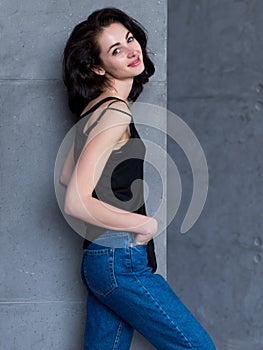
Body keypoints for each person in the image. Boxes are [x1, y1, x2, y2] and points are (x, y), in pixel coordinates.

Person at [60, 7, 216, 350]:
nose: (132, 51)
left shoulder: (94, 108)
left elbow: (65, 173)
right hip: (119, 260)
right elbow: (74, 198)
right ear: (99, 67)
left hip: (99, 260)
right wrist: (142, 224)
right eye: (116, 49)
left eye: (129, 39)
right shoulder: (114, 112)